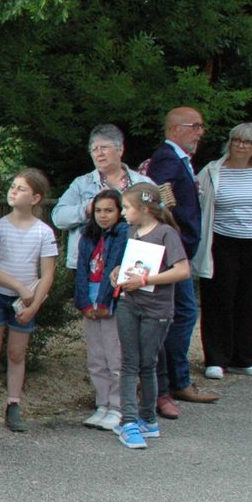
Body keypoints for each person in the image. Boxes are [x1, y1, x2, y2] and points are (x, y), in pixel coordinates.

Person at [143, 106, 219, 415]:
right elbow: (157, 199)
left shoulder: (178, 161)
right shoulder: (166, 159)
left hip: (178, 248)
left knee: (180, 313)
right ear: (176, 129)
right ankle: (176, 381)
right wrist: (173, 231)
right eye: (196, 126)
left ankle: (173, 381)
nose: (201, 132)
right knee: (183, 313)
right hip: (172, 251)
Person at [193, 122, 252, 379]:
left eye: (248, 142)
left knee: (248, 301)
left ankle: (244, 358)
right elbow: (199, 204)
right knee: (219, 300)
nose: (241, 146)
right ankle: (216, 359)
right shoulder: (212, 171)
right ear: (229, 143)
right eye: (237, 140)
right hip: (221, 242)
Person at [111, 182, 191, 450]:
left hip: (156, 309)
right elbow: (133, 262)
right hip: (129, 304)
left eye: (126, 207)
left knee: (147, 363)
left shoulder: (167, 233)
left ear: (144, 208)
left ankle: (139, 420)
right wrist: (119, 272)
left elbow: (182, 271)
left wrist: (146, 280)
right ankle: (135, 419)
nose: (122, 213)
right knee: (131, 361)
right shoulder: (133, 231)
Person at [0, 168, 58, 432]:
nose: (13, 191)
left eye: (21, 188)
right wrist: (18, 286)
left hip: (25, 302)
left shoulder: (44, 232)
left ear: (35, 198)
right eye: (12, 186)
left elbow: (47, 274)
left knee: (16, 353)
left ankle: (13, 405)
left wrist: (34, 304)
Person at [50, 123, 149, 272]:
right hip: (87, 265)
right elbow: (58, 217)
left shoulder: (142, 183)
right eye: (94, 149)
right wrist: (88, 209)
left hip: (131, 262)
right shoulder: (81, 184)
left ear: (120, 149)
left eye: (104, 147)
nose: (99, 153)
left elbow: (159, 217)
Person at [73, 189, 129, 431]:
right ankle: (102, 403)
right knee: (96, 358)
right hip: (91, 300)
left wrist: (106, 301)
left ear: (119, 212)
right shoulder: (88, 236)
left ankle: (118, 406)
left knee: (115, 357)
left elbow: (115, 267)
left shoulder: (123, 234)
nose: (103, 216)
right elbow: (82, 270)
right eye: (98, 211)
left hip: (111, 302)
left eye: (109, 210)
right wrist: (84, 302)